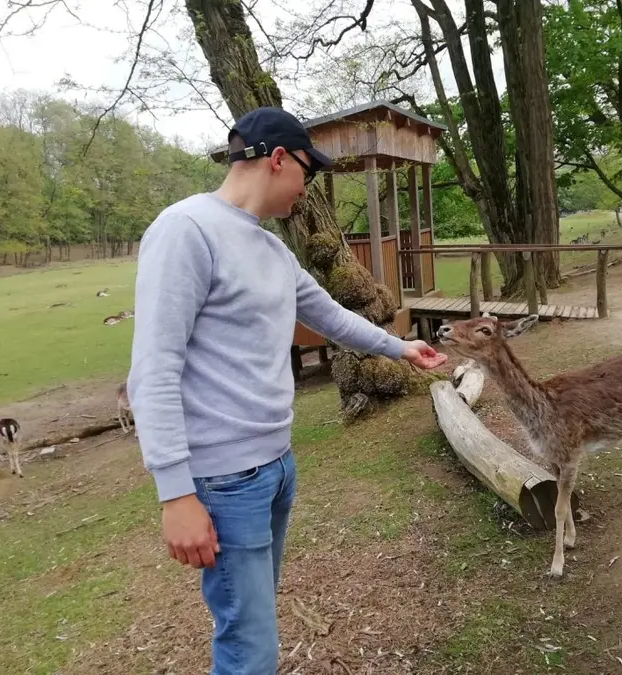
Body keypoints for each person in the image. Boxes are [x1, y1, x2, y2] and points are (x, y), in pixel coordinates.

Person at [127, 106, 447, 675]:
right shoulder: (185, 230)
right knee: (251, 647)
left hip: (275, 466)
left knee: (252, 624)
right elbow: (153, 368)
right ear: (278, 159)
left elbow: (328, 313)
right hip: (224, 481)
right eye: (309, 172)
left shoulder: (270, 248)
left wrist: (401, 347)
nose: (308, 188)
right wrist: (175, 494)